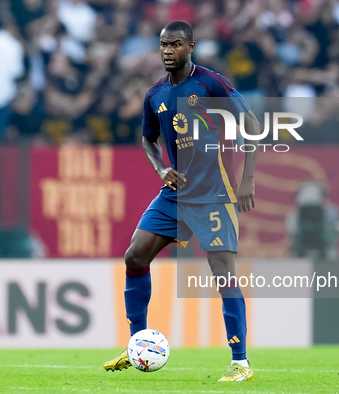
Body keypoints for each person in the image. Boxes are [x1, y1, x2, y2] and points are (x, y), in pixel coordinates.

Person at [103, 21, 259, 382]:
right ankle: (136, 344)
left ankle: (241, 363)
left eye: (175, 44)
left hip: (215, 194)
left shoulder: (210, 83)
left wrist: (247, 179)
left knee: (223, 274)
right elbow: (148, 139)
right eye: (163, 45)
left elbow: (250, 122)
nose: (167, 51)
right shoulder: (155, 94)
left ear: (191, 46)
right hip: (176, 193)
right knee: (134, 256)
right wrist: (161, 169)